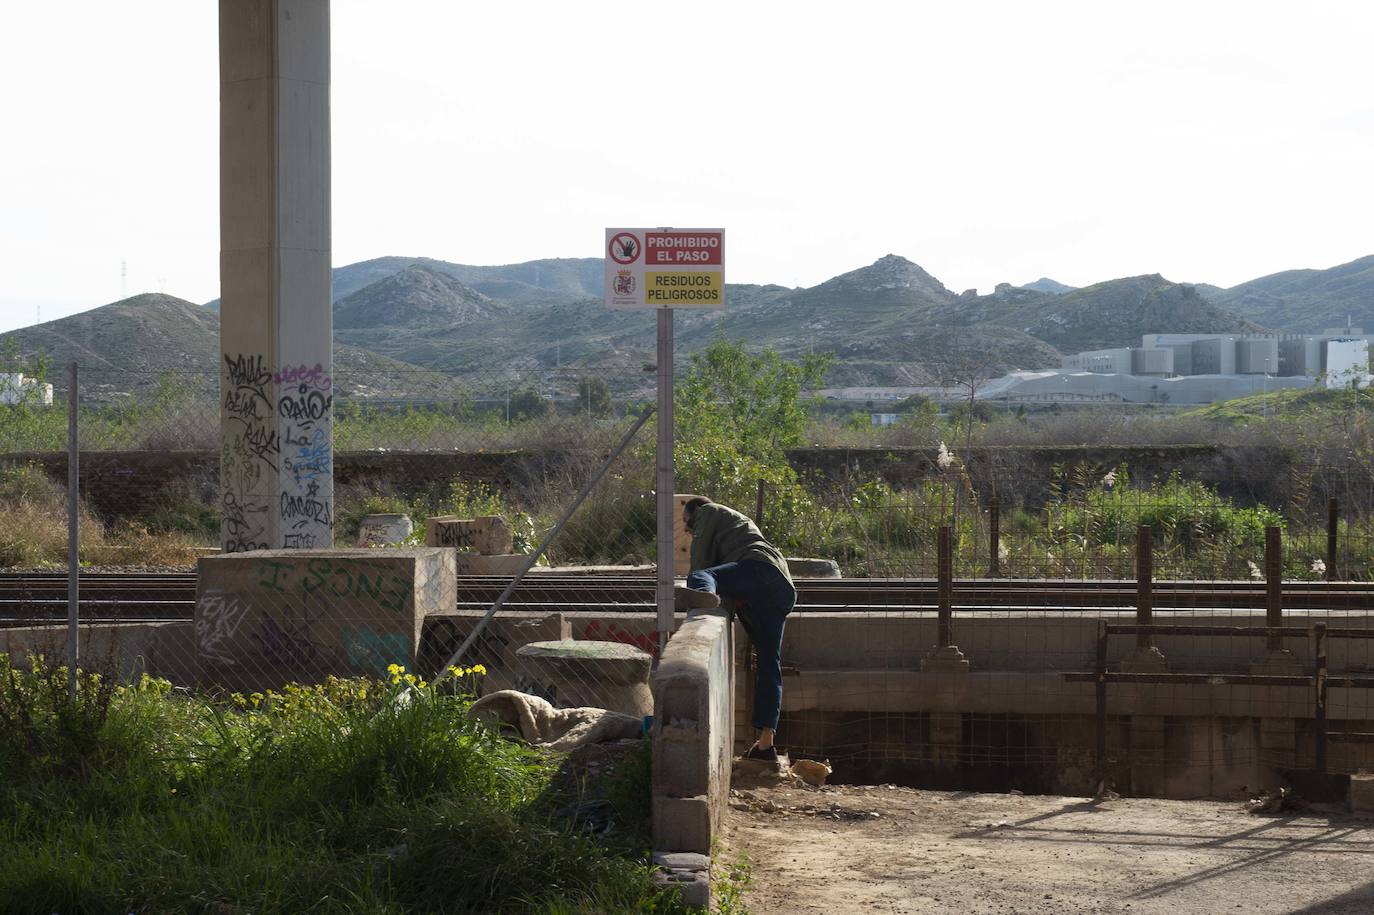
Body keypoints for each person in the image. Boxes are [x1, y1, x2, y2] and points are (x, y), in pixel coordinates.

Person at [682, 497, 797, 762]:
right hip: (782, 589)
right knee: (770, 664)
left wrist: (698, 612)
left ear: (695, 513)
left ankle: (703, 605)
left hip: (759, 570)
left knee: (700, 579)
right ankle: (766, 744)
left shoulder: (708, 512)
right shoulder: (737, 525)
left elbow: (700, 564)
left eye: (688, 526)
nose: (689, 533)